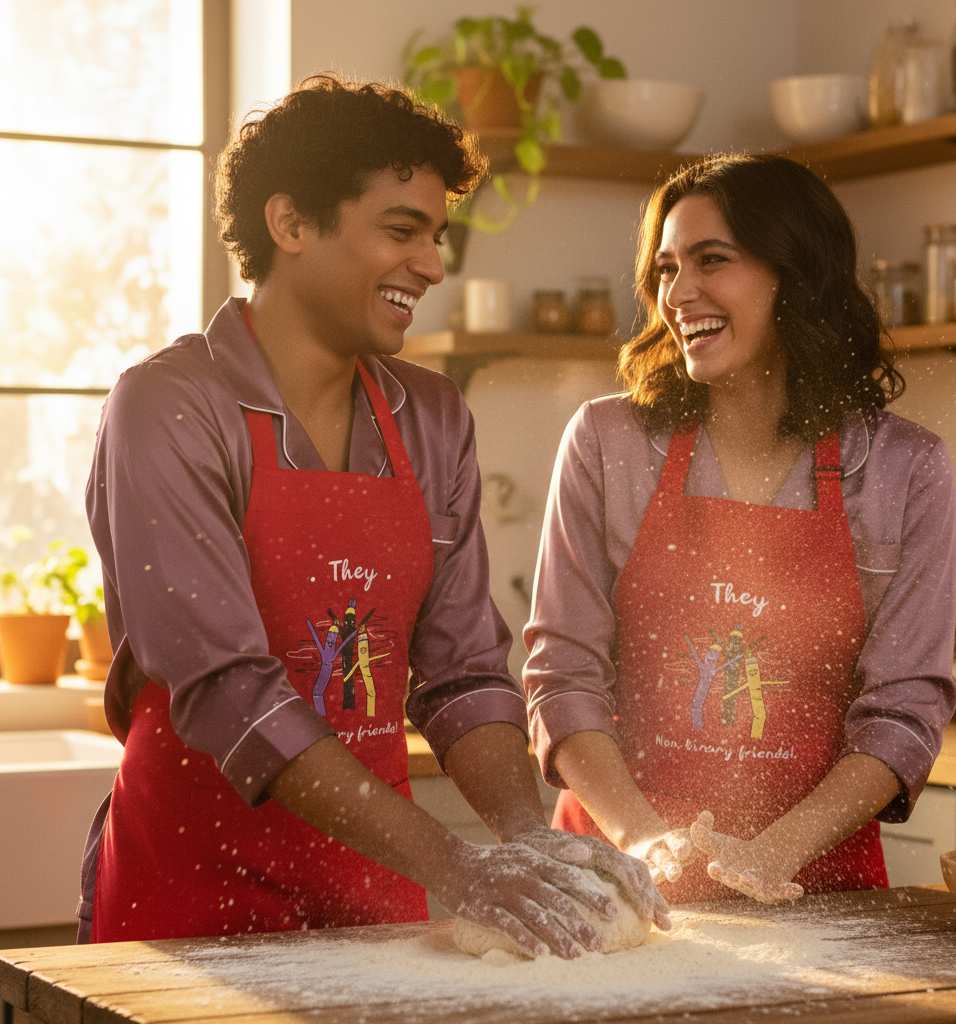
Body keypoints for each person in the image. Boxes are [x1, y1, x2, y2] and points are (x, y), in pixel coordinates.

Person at [78, 74, 666, 954]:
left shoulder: (429, 417)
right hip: (195, 889)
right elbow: (230, 689)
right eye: (401, 230)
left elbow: (462, 671)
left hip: (376, 886)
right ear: (291, 224)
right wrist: (457, 867)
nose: (431, 264)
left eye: (437, 236)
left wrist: (524, 833)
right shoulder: (168, 406)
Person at [523, 153, 956, 905]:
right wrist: (644, 840)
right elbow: (563, 679)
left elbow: (905, 711)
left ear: (795, 272)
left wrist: (773, 851)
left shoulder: (903, 469)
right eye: (665, 269)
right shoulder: (606, 443)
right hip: (620, 883)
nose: (677, 294)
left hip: (815, 890)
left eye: (710, 261)